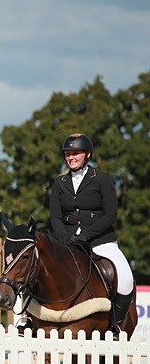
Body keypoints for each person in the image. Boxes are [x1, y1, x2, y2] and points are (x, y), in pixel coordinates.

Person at [49, 133, 135, 333]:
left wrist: (85, 235)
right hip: (68, 242)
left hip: (100, 241)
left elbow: (111, 214)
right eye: (67, 154)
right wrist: (65, 239)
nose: (71, 157)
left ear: (87, 155)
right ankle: (28, 319)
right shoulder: (60, 183)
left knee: (126, 278)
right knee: (40, 267)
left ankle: (115, 326)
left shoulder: (102, 179)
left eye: (75, 153)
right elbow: (55, 217)